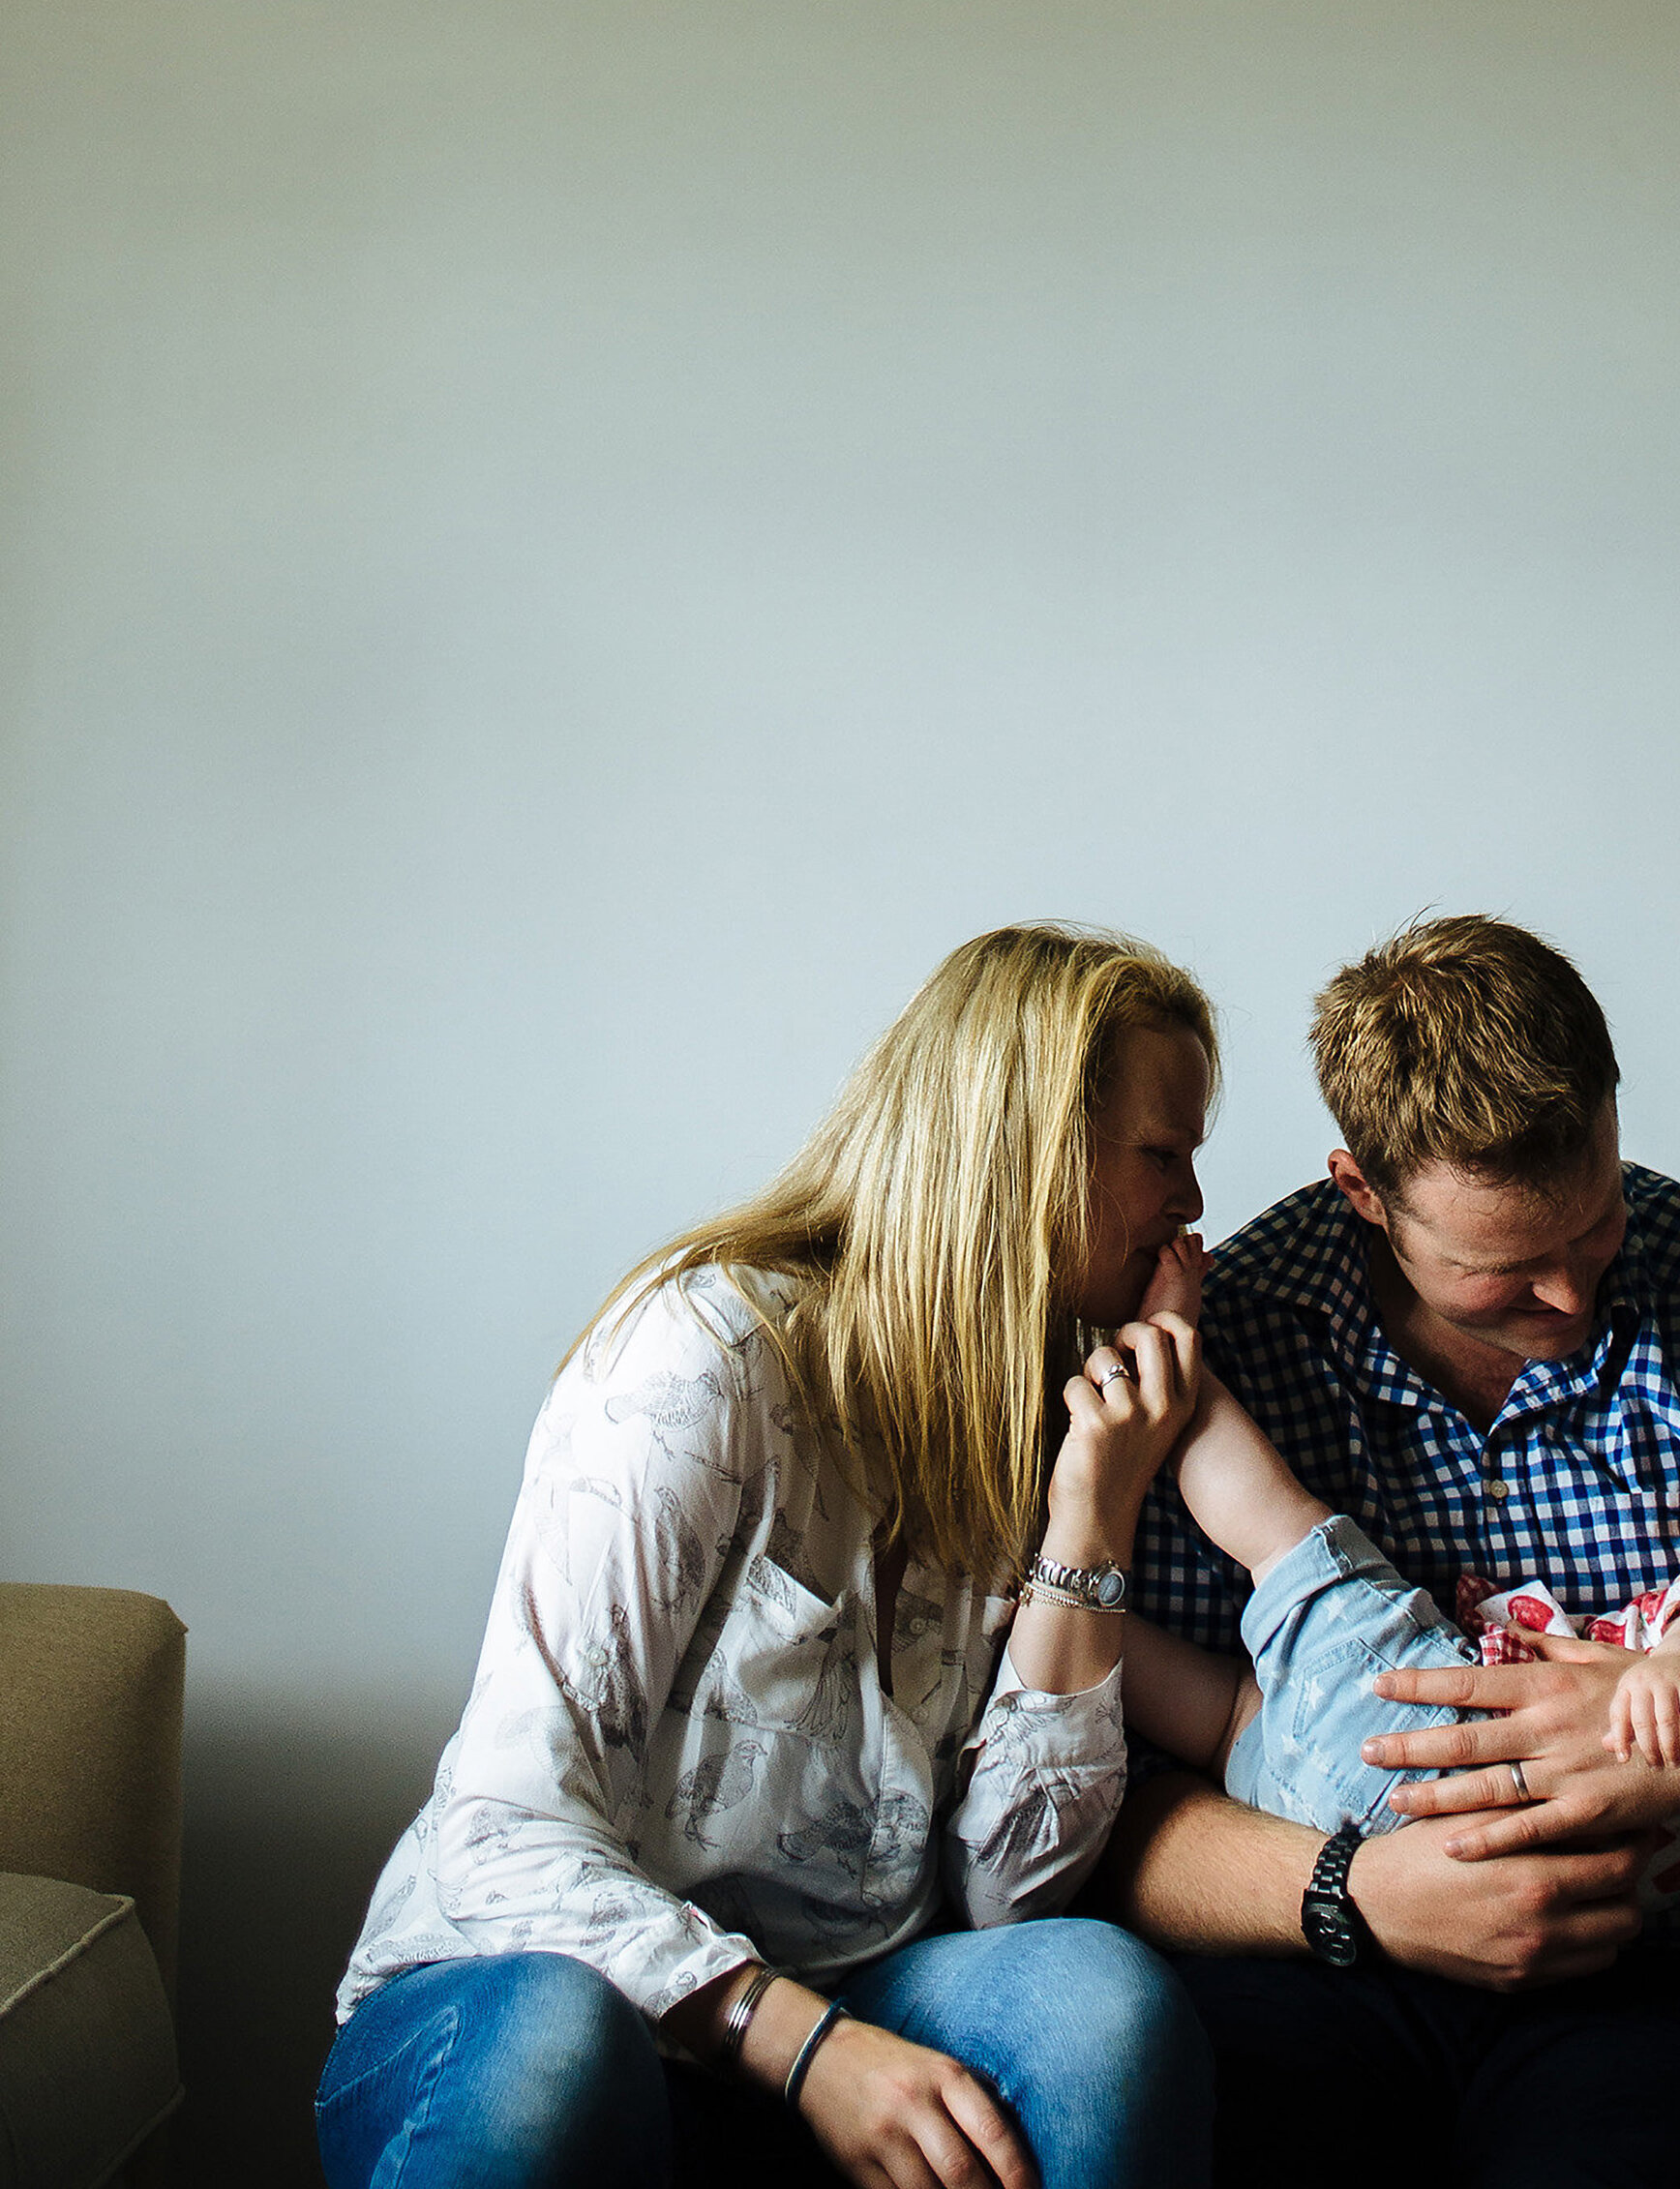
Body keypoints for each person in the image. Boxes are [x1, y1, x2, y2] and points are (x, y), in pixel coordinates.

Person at [1107, 915, 1680, 2189]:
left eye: (1593, 1225)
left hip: (1677, 1993)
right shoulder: (1236, 1335)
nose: (1574, 1298)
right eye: (1505, 1267)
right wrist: (1353, 1892)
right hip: (1324, 1962)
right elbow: (1108, 1797)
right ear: (1362, 1190)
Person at [315, 924, 1220, 2189]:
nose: (1189, 1204)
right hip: (531, 2004)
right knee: (560, 2042)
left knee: (1090, 1997)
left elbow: (1016, 1896)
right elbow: (502, 1828)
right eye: (1163, 1154)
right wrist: (801, 2045)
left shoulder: (1042, 1415)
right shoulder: (706, 1355)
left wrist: (1091, 1513)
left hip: (850, 1999)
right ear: (1027, 1146)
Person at [1119, 1311, 1680, 2083]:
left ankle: (1169, 1376)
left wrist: (1676, 1679)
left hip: (1439, 1729)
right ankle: (1055, 1622)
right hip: (1410, 1842)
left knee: (1278, 1536)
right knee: (1227, 1717)